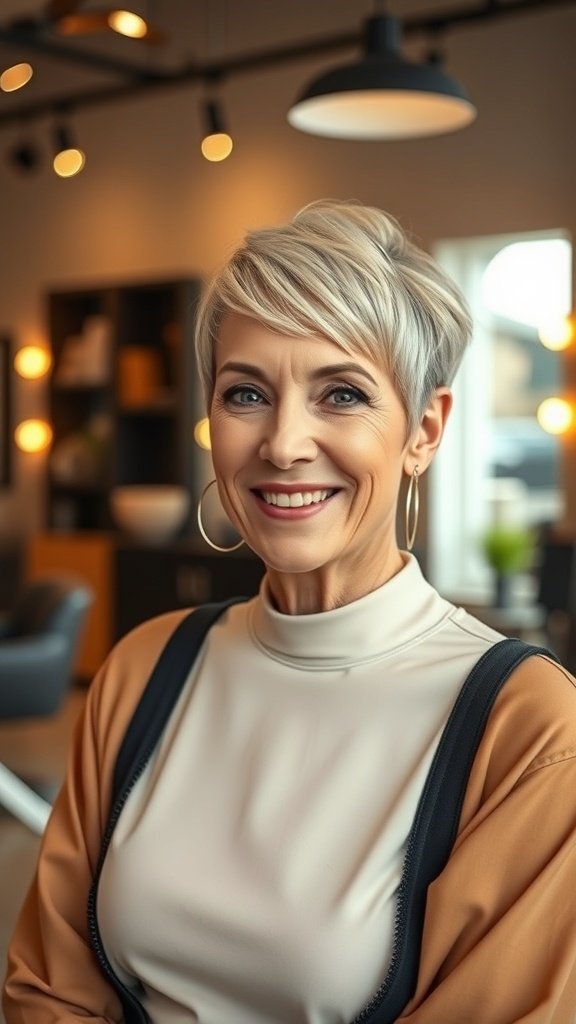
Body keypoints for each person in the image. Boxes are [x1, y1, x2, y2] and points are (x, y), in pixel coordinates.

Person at [3, 199, 576, 1024]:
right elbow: (48, 990)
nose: (282, 443)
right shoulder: (144, 668)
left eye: (340, 394)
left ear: (424, 430)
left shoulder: (525, 727)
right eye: (245, 394)